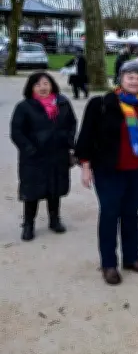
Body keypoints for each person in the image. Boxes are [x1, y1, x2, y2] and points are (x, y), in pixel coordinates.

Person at [74, 61, 138, 285]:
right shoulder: (102, 103)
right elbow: (86, 136)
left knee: (130, 213)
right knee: (109, 214)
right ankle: (109, 264)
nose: (134, 80)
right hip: (109, 170)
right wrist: (86, 167)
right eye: (130, 76)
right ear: (121, 78)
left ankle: (131, 258)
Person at [11, 72, 77, 241]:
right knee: (32, 191)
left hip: (58, 154)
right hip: (34, 157)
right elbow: (17, 132)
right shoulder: (24, 107)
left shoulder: (63, 103)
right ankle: (28, 224)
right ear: (31, 87)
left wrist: (69, 141)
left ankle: (54, 220)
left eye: (46, 83)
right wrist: (29, 149)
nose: (42, 87)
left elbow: (72, 123)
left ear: (52, 85)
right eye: (38, 84)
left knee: (55, 189)